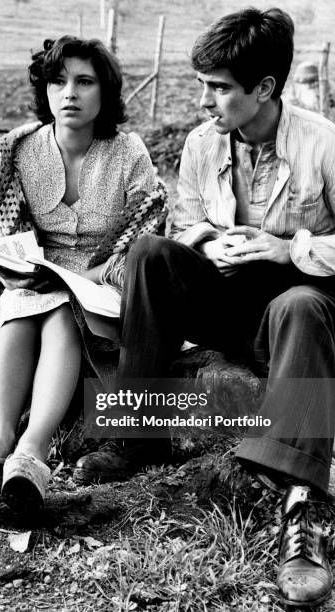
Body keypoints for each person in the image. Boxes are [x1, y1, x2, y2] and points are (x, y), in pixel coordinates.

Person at [107, 8, 335, 608]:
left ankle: (302, 514)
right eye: (203, 83)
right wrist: (210, 239)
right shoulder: (202, 144)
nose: (205, 99)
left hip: (296, 314)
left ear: (264, 89)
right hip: (228, 301)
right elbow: (186, 220)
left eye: (220, 88)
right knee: (151, 253)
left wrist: (291, 247)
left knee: (301, 303)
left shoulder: (323, 143)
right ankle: (138, 433)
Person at [0, 36, 167, 517]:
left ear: (105, 92)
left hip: (101, 287)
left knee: (61, 310)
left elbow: (145, 235)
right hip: (35, 282)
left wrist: (86, 276)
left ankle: (32, 453)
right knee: (21, 307)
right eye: (58, 81)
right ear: (44, 90)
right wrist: (12, 268)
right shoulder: (17, 152)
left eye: (84, 82)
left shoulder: (128, 153)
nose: (69, 93)